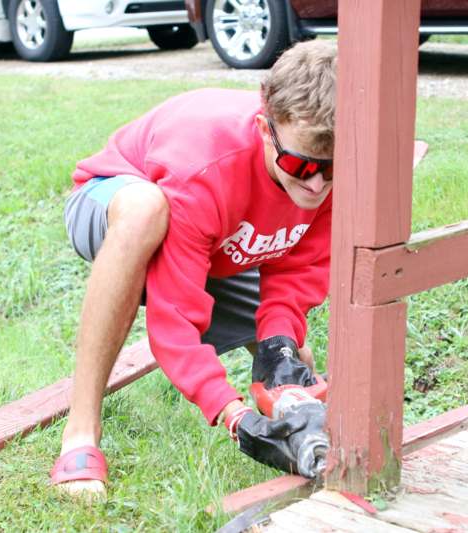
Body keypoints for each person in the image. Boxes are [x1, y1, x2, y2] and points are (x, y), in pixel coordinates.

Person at [49, 40, 337, 499]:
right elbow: (175, 319)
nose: (317, 184)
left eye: (330, 168)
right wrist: (233, 416)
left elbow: (294, 271)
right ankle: (81, 429)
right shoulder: (203, 166)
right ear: (266, 129)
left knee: (293, 366)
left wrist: (278, 346)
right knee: (146, 209)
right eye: (300, 166)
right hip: (113, 207)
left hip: (223, 242)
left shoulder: (326, 173)